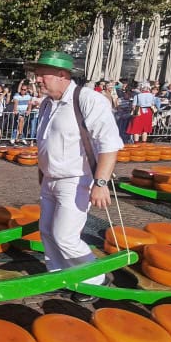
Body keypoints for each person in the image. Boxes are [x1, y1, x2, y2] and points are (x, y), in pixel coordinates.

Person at [29, 51, 122, 304]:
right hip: (50, 179)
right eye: (37, 74)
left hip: (76, 179)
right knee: (47, 231)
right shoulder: (48, 103)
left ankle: (96, 278)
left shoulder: (88, 100)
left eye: (42, 74)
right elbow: (45, 142)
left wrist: (101, 183)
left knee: (65, 235)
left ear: (62, 75)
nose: (37, 79)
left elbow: (109, 144)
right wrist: (42, 173)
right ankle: (61, 276)